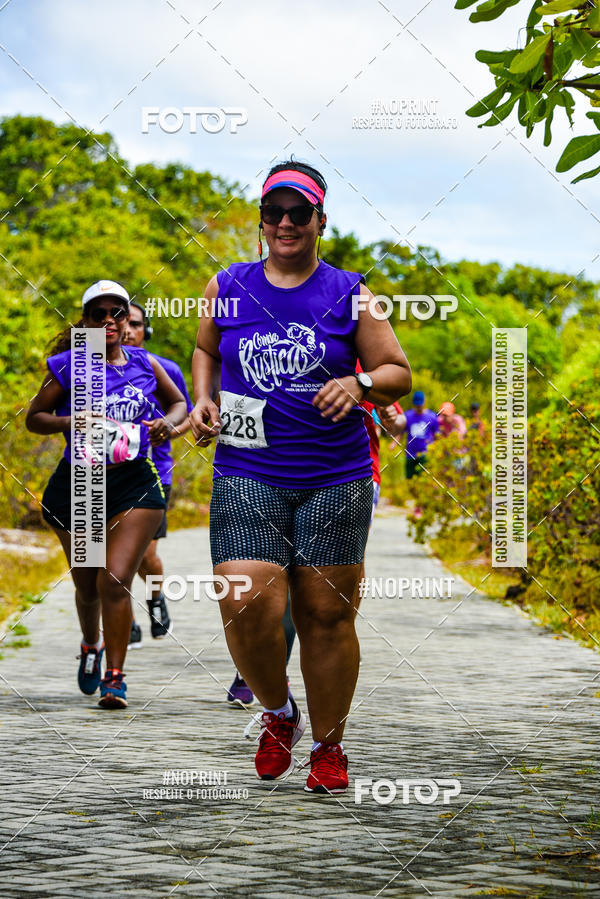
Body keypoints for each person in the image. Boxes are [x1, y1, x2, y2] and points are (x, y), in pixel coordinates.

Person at [190, 160, 411, 793]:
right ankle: (277, 711)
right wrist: (204, 398)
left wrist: (359, 381)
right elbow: (207, 349)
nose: (284, 223)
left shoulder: (351, 293)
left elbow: (398, 372)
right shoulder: (227, 284)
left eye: (298, 213)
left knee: (325, 616)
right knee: (243, 595)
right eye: (273, 212)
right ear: (261, 220)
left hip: (334, 477)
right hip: (246, 467)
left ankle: (329, 746)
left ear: (320, 221)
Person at [26, 280, 187, 709]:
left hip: (134, 481)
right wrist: (70, 421)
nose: (109, 321)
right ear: (87, 321)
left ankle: (115, 677)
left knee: (114, 578)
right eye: (98, 314)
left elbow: (179, 406)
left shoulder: (145, 363)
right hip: (81, 485)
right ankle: (89, 645)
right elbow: (35, 418)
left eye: (117, 312)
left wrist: (167, 424)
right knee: (88, 586)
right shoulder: (68, 365)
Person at [123, 301, 194, 647]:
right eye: (123, 323)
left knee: (143, 554)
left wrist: (166, 429)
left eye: (135, 324)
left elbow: (188, 417)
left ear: (145, 331)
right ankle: (126, 622)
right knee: (111, 556)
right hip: (105, 474)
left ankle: (155, 597)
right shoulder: (91, 370)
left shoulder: (162, 369)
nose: (127, 330)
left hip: (155, 473)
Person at [394, 390, 439, 479]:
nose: (418, 406)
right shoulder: (407, 416)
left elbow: (437, 435)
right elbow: (401, 432)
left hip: (425, 454)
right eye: (416, 404)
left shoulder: (432, 416)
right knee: (410, 480)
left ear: (424, 402)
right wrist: (394, 442)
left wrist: (437, 449)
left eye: (420, 404)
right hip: (410, 454)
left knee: (423, 479)